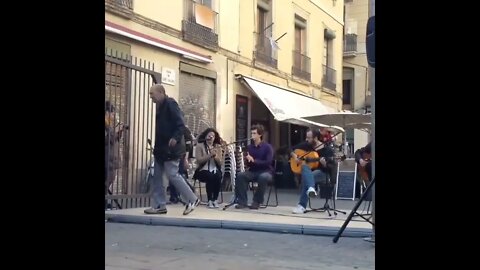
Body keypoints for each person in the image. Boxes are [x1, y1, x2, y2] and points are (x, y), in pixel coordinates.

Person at [144, 84, 199, 215]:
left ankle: (192, 198)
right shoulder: (160, 106)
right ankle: (159, 205)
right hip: (161, 149)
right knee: (156, 176)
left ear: (161, 93)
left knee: (172, 175)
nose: (150, 97)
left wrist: (175, 137)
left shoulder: (171, 104)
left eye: (152, 94)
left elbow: (180, 124)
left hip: (170, 148)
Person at [290, 128, 338, 214]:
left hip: (323, 173)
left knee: (306, 178)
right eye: (307, 137)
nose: (306, 140)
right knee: (305, 167)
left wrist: (325, 164)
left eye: (309, 138)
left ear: (315, 138)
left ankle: (302, 205)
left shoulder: (327, 150)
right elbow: (290, 149)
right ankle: (311, 188)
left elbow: (332, 167)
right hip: (309, 173)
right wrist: (295, 157)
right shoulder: (307, 145)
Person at [235, 124, 274, 210]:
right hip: (253, 171)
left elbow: (268, 162)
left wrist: (254, 161)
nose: (252, 135)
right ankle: (242, 201)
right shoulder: (250, 147)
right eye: (251, 133)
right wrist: (246, 160)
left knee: (263, 177)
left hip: (266, 171)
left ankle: (257, 201)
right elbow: (249, 164)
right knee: (241, 175)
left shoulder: (267, 147)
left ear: (260, 135)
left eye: (254, 133)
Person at [194, 128, 224, 208]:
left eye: (213, 136)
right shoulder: (200, 146)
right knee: (209, 176)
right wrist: (209, 155)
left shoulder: (218, 147)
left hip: (214, 169)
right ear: (206, 136)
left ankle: (215, 199)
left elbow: (220, 162)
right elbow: (199, 160)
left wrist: (215, 156)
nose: (211, 137)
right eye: (209, 135)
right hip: (202, 170)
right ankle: (209, 200)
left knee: (218, 176)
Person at [168, 125, 195, 204]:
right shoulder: (171, 128)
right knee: (173, 176)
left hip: (180, 156)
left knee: (177, 175)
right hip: (172, 155)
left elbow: (188, 145)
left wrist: (186, 159)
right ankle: (174, 197)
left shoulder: (184, 129)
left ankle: (189, 192)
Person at [105, 101, 122, 209]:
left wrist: (118, 133)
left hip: (111, 159)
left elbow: (112, 139)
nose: (113, 116)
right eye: (112, 113)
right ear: (106, 112)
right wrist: (116, 133)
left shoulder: (108, 124)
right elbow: (108, 140)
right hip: (107, 159)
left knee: (109, 180)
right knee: (107, 181)